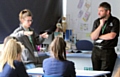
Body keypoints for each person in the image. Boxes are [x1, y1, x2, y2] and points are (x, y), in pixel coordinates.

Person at [90, 2, 119, 77]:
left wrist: (99, 36)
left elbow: (112, 35)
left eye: (101, 11)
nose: (98, 13)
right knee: (95, 74)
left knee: (105, 74)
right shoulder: (97, 22)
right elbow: (93, 37)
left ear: (108, 12)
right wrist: (100, 25)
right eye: (98, 11)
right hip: (96, 51)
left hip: (107, 51)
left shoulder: (115, 21)